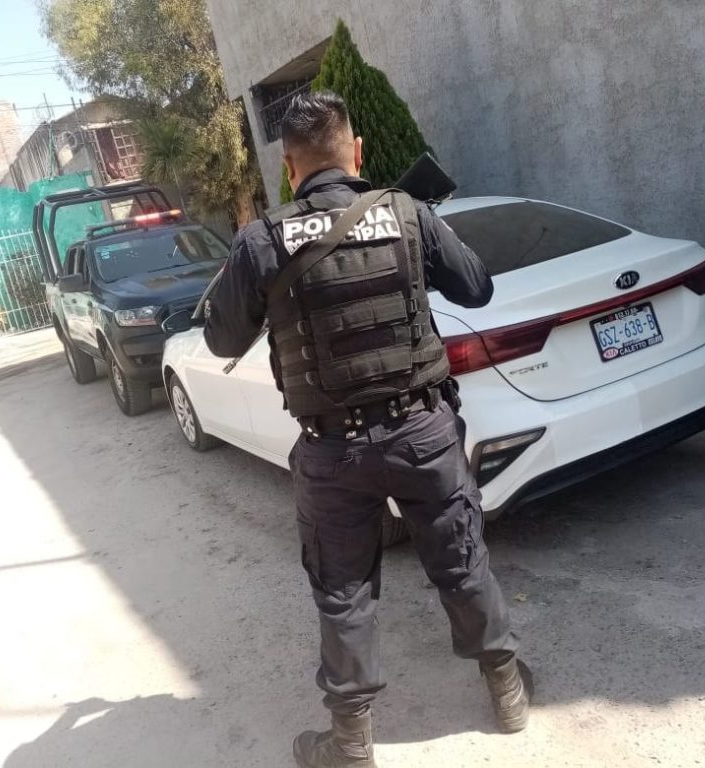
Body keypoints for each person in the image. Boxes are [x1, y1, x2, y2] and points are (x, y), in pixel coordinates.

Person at [203, 91, 530, 767]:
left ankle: (351, 744)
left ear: (289, 167)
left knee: (342, 590)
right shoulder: (406, 212)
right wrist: (423, 232)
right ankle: (508, 695)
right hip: (423, 432)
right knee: (461, 560)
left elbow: (222, 339)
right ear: (356, 151)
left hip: (333, 449)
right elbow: (476, 287)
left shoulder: (261, 240)